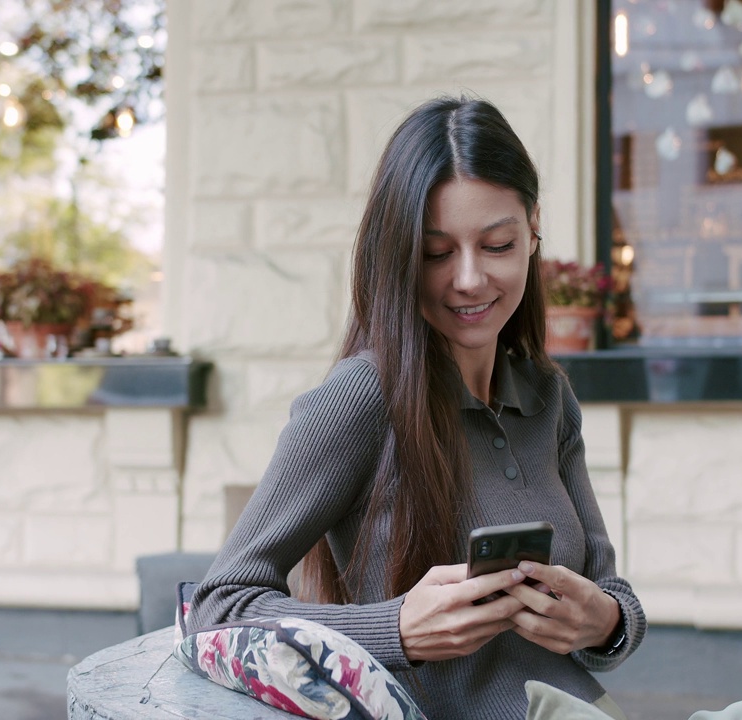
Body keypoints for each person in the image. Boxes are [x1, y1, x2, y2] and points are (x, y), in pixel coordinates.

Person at [189, 95, 641, 720]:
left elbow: (610, 592)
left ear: (534, 230)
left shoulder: (547, 397)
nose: (469, 278)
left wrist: (605, 621)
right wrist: (394, 631)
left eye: (498, 244)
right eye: (435, 253)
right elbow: (216, 612)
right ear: (397, 254)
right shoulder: (362, 397)